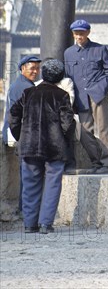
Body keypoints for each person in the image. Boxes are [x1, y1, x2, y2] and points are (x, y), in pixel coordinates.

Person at [8, 59, 75, 234]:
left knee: (30, 183)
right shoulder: (62, 95)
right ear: (60, 77)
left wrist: (20, 136)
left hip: (29, 144)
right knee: (53, 183)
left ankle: (30, 224)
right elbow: (68, 124)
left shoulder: (28, 93)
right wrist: (66, 141)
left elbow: (13, 115)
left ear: (43, 74)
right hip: (55, 146)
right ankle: (46, 223)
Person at [64, 19, 108, 174]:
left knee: (104, 130)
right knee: (84, 133)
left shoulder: (99, 49)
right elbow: (68, 76)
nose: (79, 37)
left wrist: (103, 87)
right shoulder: (68, 53)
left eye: (81, 33)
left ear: (88, 33)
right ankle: (96, 162)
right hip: (81, 98)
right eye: (76, 34)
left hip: (98, 96)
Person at [2, 55, 42, 214]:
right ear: (22, 69)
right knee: (28, 175)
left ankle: (25, 209)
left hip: (21, 135)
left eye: (37, 68)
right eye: (32, 68)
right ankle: (26, 210)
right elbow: (18, 116)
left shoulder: (25, 84)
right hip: (22, 136)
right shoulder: (23, 87)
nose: (35, 71)